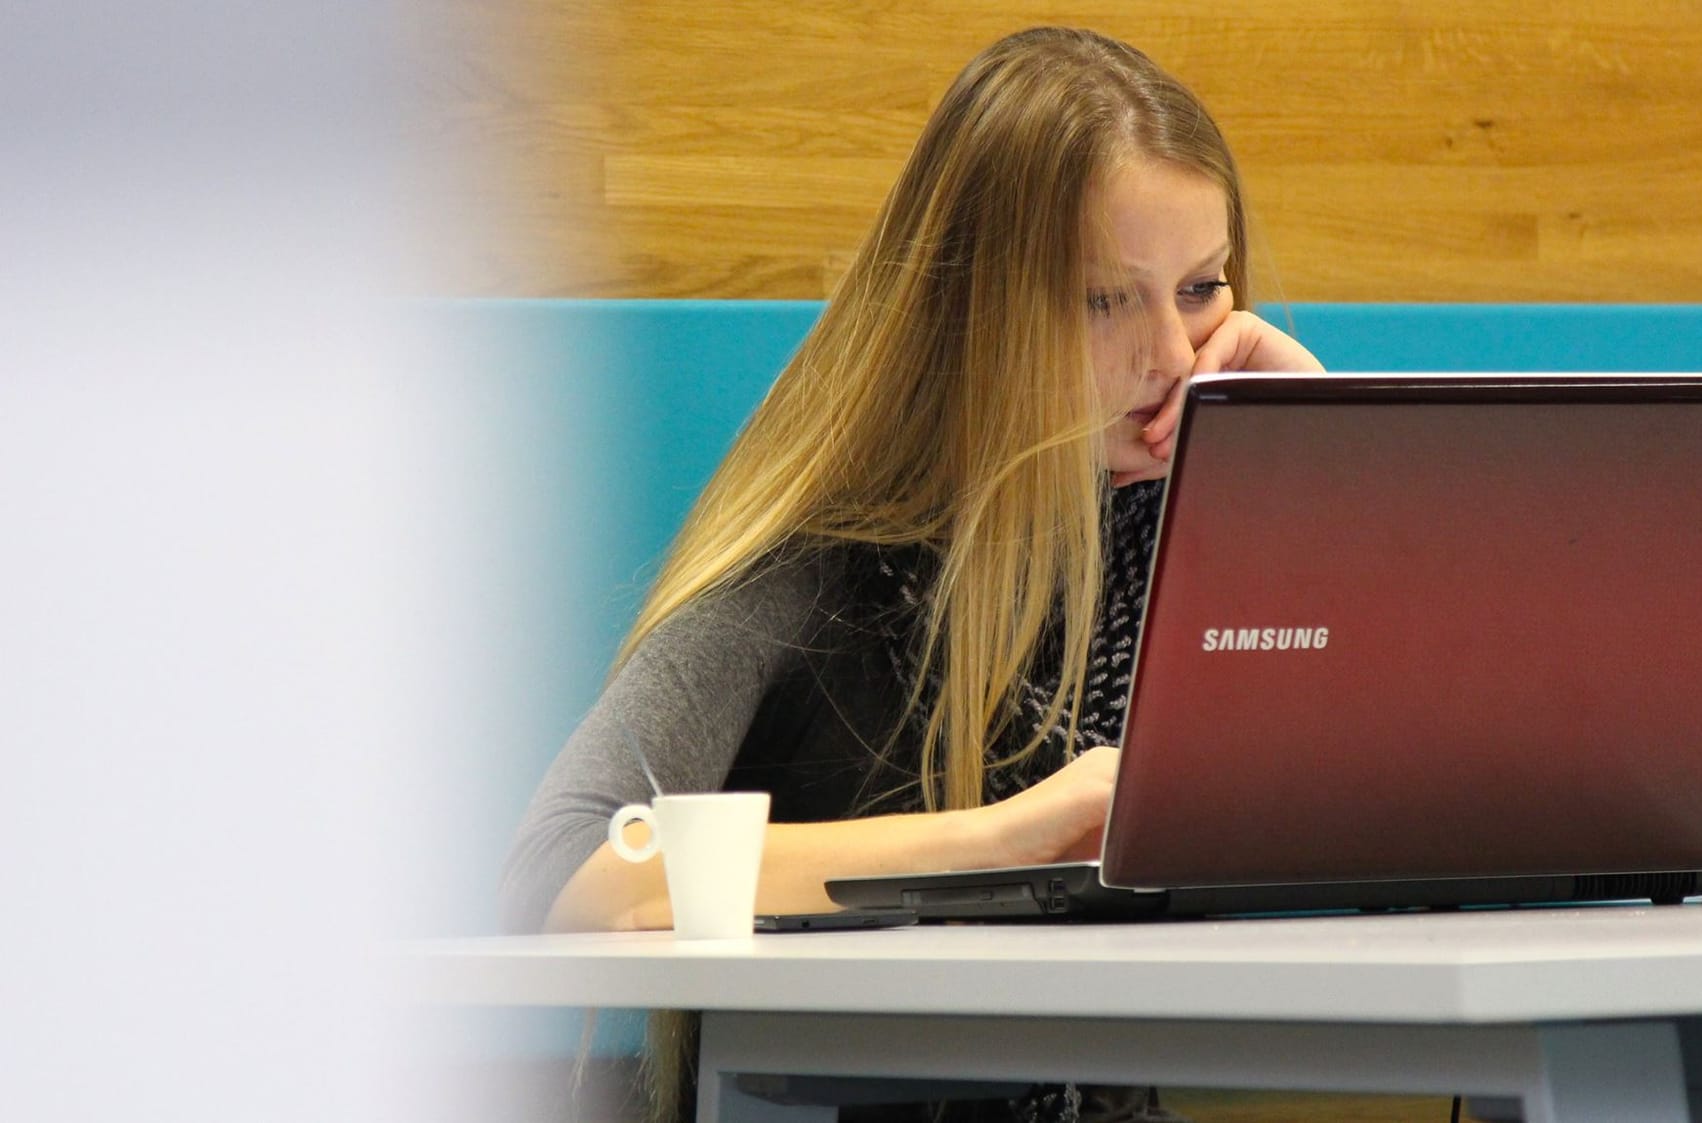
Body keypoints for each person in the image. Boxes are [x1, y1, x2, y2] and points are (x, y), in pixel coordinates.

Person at [500, 25, 1324, 1123]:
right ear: (972, 313)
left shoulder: (1196, 534)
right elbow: (559, 874)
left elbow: (1451, 811)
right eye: (1103, 298)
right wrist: (1003, 839)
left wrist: (1307, 462)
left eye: (1198, 288)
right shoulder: (819, 561)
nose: (1172, 356)